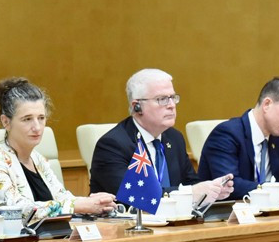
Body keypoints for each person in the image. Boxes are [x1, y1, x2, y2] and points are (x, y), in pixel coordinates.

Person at [0, 77, 115, 222]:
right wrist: (79, 205)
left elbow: (63, 199)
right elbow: (17, 210)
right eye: (27, 119)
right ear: (6, 122)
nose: (37, 127)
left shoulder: (38, 159)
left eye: (41, 118)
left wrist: (96, 202)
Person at [89, 68, 234, 206]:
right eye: (162, 99)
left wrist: (211, 191)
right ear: (137, 106)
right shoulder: (113, 145)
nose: (171, 105)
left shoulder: (174, 138)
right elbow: (137, 196)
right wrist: (191, 193)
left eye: (172, 98)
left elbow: (191, 183)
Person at [198, 77, 279, 199]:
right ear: (267, 104)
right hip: (229, 214)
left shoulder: (278, 138)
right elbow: (230, 186)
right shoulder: (227, 134)